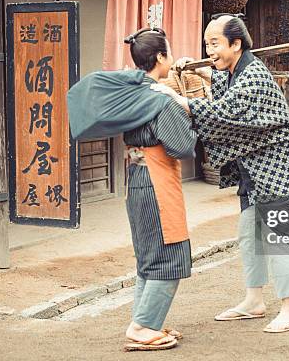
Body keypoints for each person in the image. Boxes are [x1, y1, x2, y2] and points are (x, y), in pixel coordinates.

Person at [152, 14, 289, 333]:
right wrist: (201, 70)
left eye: (215, 43)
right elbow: (222, 89)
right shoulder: (232, 71)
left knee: (275, 238)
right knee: (247, 232)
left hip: (285, 169)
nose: (209, 50)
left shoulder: (253, 74)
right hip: (257, 172)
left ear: (236, 44)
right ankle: (254, 301)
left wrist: (173, 96)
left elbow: (223, 112)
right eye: (206, 44)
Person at [68, 27, 196, 351]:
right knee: (170, 256)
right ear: (161, 57)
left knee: (148, 259)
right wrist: (187, 110)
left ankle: (145, 320)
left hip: (136, 181)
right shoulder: (160, 100)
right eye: (168, 52)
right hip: (157, 182)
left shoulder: (133, 94)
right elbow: (182, 146)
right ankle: (143, 328)